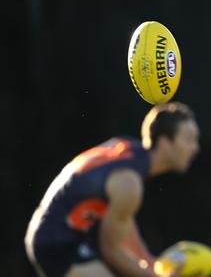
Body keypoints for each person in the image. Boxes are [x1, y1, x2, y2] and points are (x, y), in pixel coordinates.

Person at [25, 102, 200, 277]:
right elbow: (111, 252)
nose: (195, 148)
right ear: (164, 142)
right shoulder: (129, 183)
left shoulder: (126, 149)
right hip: (56, 244)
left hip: (58, 237)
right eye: (188, 139)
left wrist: (149, 261)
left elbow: (122, 220)